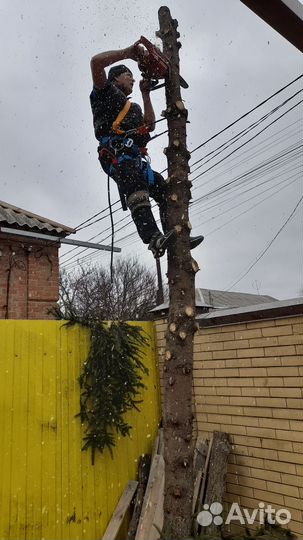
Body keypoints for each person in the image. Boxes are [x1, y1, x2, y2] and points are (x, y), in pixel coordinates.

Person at [90, 43, 203, 258]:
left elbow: (148, 126)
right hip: (116, 156)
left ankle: (178, 235)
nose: (132, 79)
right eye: (128, 76)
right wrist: (127, 53)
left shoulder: (133, 108)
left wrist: (145, 93)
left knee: (164, 190)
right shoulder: (104, 93)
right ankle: (153, 239)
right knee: (136, 188)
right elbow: (96, 63)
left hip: (134, 157)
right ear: (115, 79)